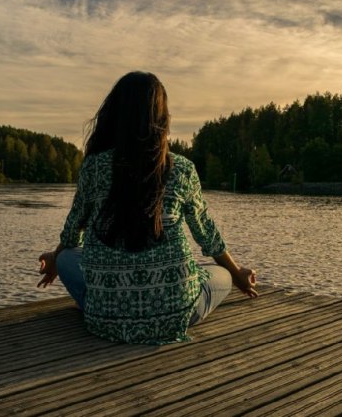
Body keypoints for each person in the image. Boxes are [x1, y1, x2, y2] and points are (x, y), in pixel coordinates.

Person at [37, 71, 258, 345]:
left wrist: (56, 258)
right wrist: (238, 275)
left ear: (114, 115)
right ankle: (182, 292)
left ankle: (104, 303)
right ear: (161, 118)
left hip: (105, 319)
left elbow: (73, 231)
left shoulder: (93, 167)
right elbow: (207, 236)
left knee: (68, 257)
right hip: (176, 315)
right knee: (221, 273)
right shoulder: (182, 169)